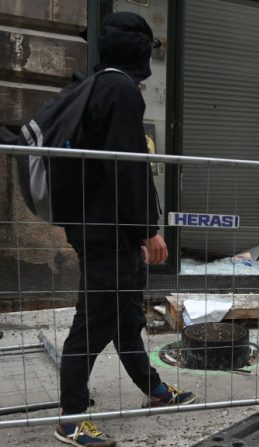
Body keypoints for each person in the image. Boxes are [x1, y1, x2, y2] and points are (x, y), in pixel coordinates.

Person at [55, 12, 195, 447]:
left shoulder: (98, 84)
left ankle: (155, 391)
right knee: (93, 326)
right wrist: (147, 230)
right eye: (149, 46)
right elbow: (127, 171)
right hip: (108, 233)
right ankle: (71, 420)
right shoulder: (118, 89)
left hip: (104, 229)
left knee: (126, 320)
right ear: (136, 48)